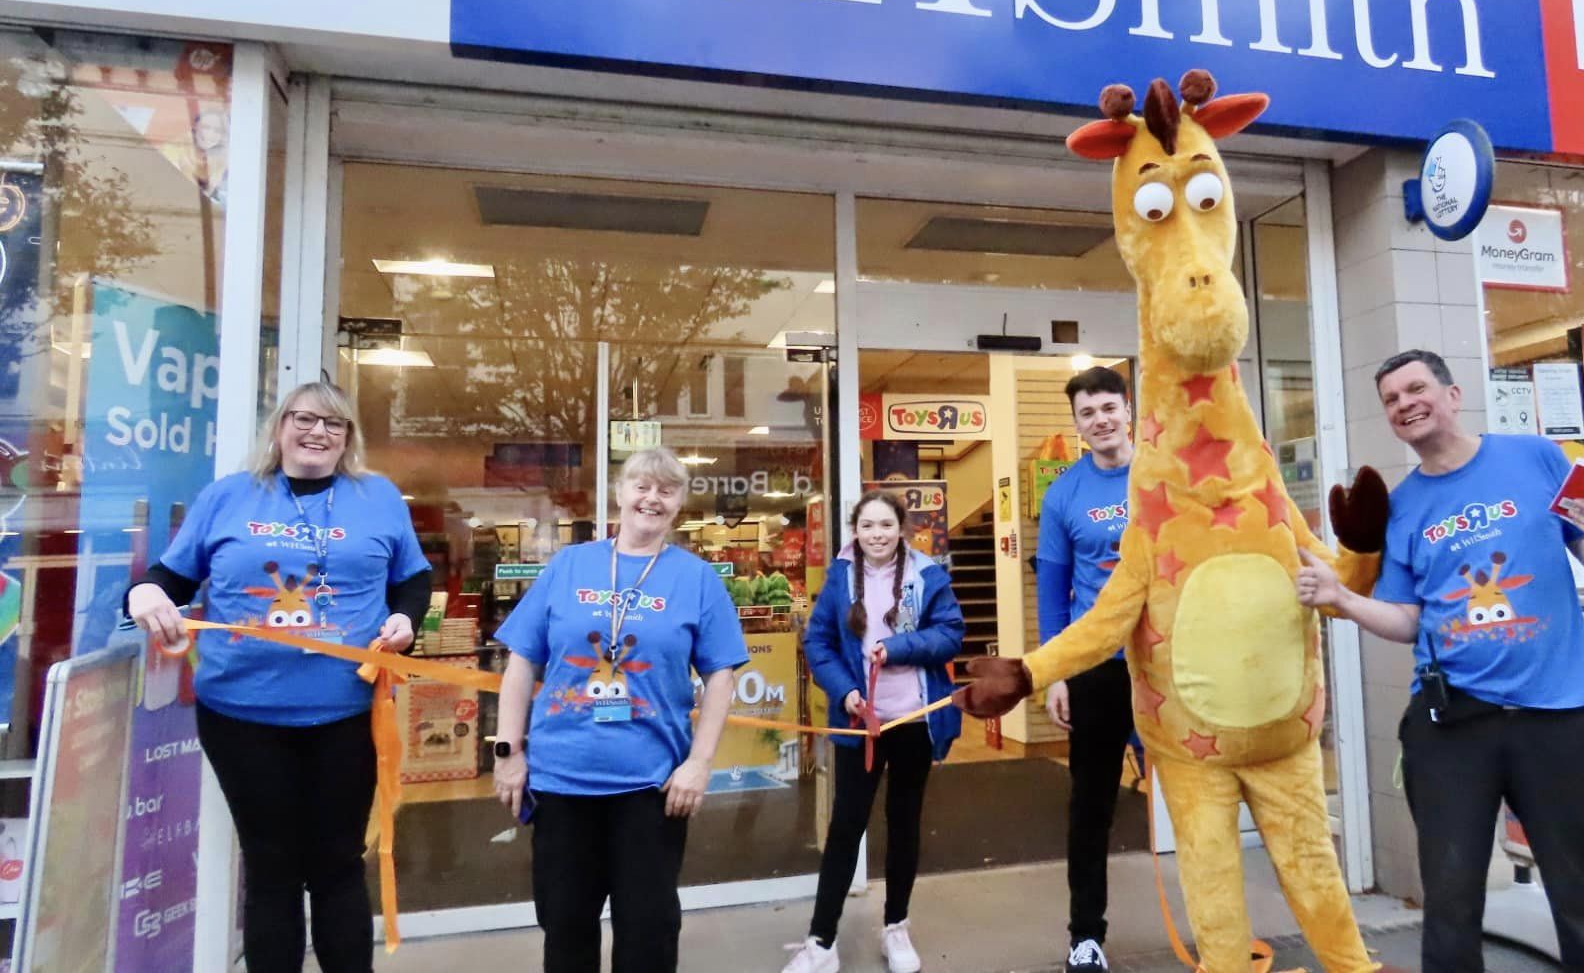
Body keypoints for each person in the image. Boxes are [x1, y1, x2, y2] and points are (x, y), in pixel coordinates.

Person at [1295, 350, 1584, 972]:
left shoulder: (1534, 456)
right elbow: (1406, 618)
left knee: (1582, 891)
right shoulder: (1405, 507)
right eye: (1392, 399)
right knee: (1450, 901)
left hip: (1553, 716)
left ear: (1452, 395)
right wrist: (1342, 599)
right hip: (1452, 725)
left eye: (1416, 388)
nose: (1405, 404)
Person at [125, 381, 431, 973]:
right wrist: (142, 593)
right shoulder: (229, 497)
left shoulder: (378, 498)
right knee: (270, 866)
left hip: (346, 710)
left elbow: (411, 581)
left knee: (339, 864)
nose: (318, 433)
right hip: (243, 716)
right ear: (280, 426)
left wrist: (404, 619)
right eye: (306, 419)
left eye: (334, 424)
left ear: (348, 438)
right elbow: (170, 578)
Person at [491, 446, 746, 973]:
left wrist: (699, 763)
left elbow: (721, 675)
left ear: (678, 505)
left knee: (648, 935)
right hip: (561, 782)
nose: (651, 498)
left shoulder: (697, 579)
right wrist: (507, 750)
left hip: (650, 789)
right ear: (620, 494)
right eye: (641, 486)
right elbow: (521, 661)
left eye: (666, 490)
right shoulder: (569, 565)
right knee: (565, 931)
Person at [782, 490, 964, 973]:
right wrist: (845, 692)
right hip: (859, 726)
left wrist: (898, 647)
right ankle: (821, 942)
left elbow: (951, 632)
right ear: (855, 531)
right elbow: (817, 641)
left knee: (904, 825)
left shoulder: (927, 574)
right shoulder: (840, 577)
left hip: (913, 722)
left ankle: (896, 927)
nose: (877, 535)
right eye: (867, 527)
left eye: (886, 526)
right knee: (845, 828)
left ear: (901, 528)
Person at [1036, 365, 1136, 973]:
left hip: (1165, 667)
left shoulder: (1160, 479)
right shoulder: (1064, 494)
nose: (1099, 420)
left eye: (1107, 408)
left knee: (1195, 795)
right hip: (1097, 669)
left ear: (1128, 409)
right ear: (1076, 425)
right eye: (1087, 414)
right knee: (1090, 807)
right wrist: (1057, 672)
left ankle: (1217, 925)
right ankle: (1085, 936)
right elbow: (1052, 594)